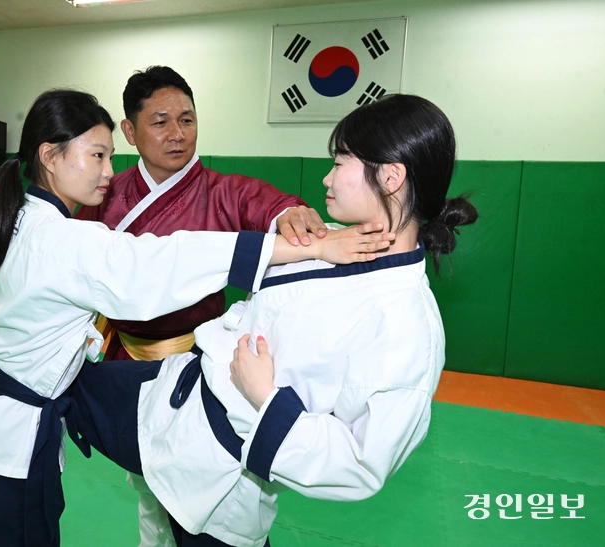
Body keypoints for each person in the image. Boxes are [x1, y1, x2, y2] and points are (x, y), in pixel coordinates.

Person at [0, 88, 395, 547]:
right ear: (50, 156)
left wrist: (290, 220)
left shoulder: (23, 219)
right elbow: (161, 262)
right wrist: (300, 249)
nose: (108, 170)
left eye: (109, 156)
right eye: (96, 155)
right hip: (11, 451)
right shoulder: (66, 238)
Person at [59, 93, 479, 546]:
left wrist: (265, 397)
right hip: (174, 396)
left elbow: (361, 463)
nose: (326, 177)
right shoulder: (329, 242)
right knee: (49, 385)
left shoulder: (406, 323)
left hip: (225, 475)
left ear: (391, 177)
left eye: (340, 163)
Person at [75, 65, 329, 546]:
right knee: (145, 477)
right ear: (129, 130)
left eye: (187, 120)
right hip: (126, 358)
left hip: (200, 365)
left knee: (209, 484)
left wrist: (289, 211)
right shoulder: (106, 195)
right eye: (160, 122)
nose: (178, 134)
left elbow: (267, 204)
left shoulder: (223, 191)